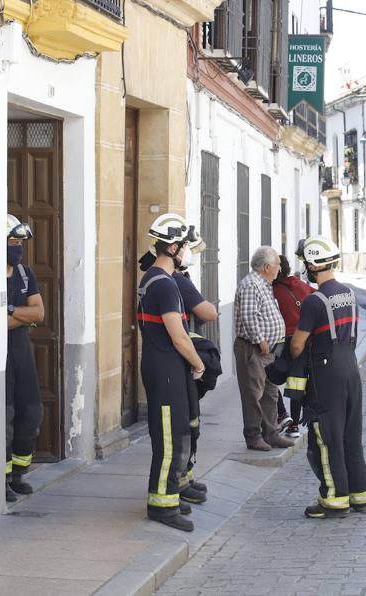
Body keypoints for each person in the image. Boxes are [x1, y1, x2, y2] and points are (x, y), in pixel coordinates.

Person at [290, 236, 366, 519]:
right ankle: (360, 495)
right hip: (350, 366)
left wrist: (290, 351)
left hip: (327, 373)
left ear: (312, 266)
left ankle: (334, 500)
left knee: (327, 435)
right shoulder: (348, 293)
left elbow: (298, 344)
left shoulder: (314, 300)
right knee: (351, 434)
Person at [137, 214, 205, 532]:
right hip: (164, 367)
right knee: (168, 439)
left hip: (162, 365)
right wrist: (198, 362)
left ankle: (170, 497)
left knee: (175, 432)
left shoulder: (155, 278)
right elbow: (178, 335)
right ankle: (161, 505)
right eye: (186, 246)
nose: (188, 252)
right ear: (174, 247)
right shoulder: (164, 285)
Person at [233, 246, 293, 452]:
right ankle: (253, 436)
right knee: (253, 394)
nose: (279, 268)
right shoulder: (251, 285)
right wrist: (260, 340)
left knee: (271, 392)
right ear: (267, 267)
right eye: (277, 265)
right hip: (254, 348)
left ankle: (271, 433)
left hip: (267, 350)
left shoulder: (264, 284)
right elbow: (250, 316)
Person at [5, 214, 45, 503]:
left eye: (20, 242)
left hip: (22, 352)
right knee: (6, 416)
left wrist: (11, 312)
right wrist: (22, 315)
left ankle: (19, 473)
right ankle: (3, 477)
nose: (17, 247)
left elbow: (39, 313)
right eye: (12, 241)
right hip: (1, 356)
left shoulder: (24, 274)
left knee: (31, 411)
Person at [273, 255, 312, 438]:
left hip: (285, 341)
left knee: (268, 378)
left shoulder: (272, 290)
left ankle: (282, 415)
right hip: (306, 339)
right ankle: (295, 424)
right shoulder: (301, 285)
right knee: (298, 382)